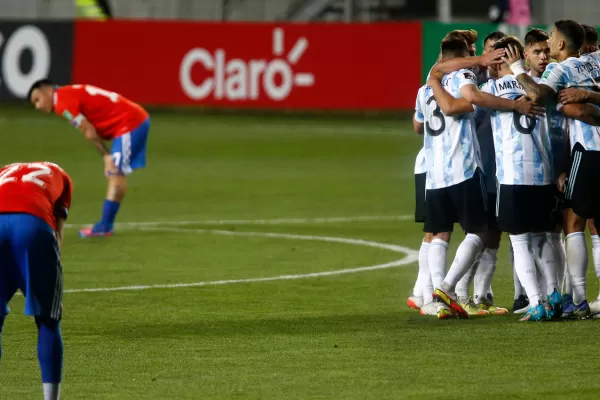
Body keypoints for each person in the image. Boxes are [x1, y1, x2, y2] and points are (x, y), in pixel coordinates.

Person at [506, 20, 600, 318]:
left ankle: (579, 299)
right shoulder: (596, 61)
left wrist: (517, 68)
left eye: (552, 36)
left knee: (573, 223)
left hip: (587, 153)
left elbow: (536, 94)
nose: (549, 39)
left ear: (560, 44)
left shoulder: (559, 70)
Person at [28, 79, 150, 238]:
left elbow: (88, 130)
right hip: (130, 120)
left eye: (38, 99)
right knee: (116, 173)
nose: (38, 106)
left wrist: (106, 155)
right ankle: (105, 225)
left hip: (129, 123)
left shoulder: (62, 103)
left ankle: (105, 226)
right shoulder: (68, 93)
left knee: (115, 172)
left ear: (48, 91)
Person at [0, 161, 72, 400]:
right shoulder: (61, 176)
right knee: (47, 320)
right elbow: (58, 232)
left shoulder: (4, 171)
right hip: (32, 225)